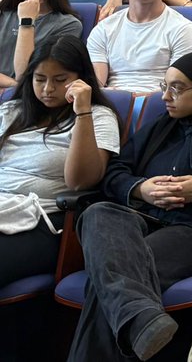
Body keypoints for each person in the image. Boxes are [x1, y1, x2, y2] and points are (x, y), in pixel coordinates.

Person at [65, 51, 192, 362]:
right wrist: (141, 189)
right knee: (98, 213)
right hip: (143, 217)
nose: (165, 96)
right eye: (165, 86)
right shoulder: (162, 124)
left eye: (177, 88)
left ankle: (140, 320)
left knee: (113, 273)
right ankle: (142, 319)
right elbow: (116, 172)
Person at [0, 35, 121, 293]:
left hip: (44, 221)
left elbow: (80, 181)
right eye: (40, 79)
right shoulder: (11, 111)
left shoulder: (99, 117)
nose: (47, 89)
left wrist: (83, 112)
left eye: (59, 80)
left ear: (81, 79)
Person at [0, 0, 83, 88]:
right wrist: (12, 84)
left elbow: (25, 75)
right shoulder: (3, 12)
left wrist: (27, 21)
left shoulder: (69, 24)